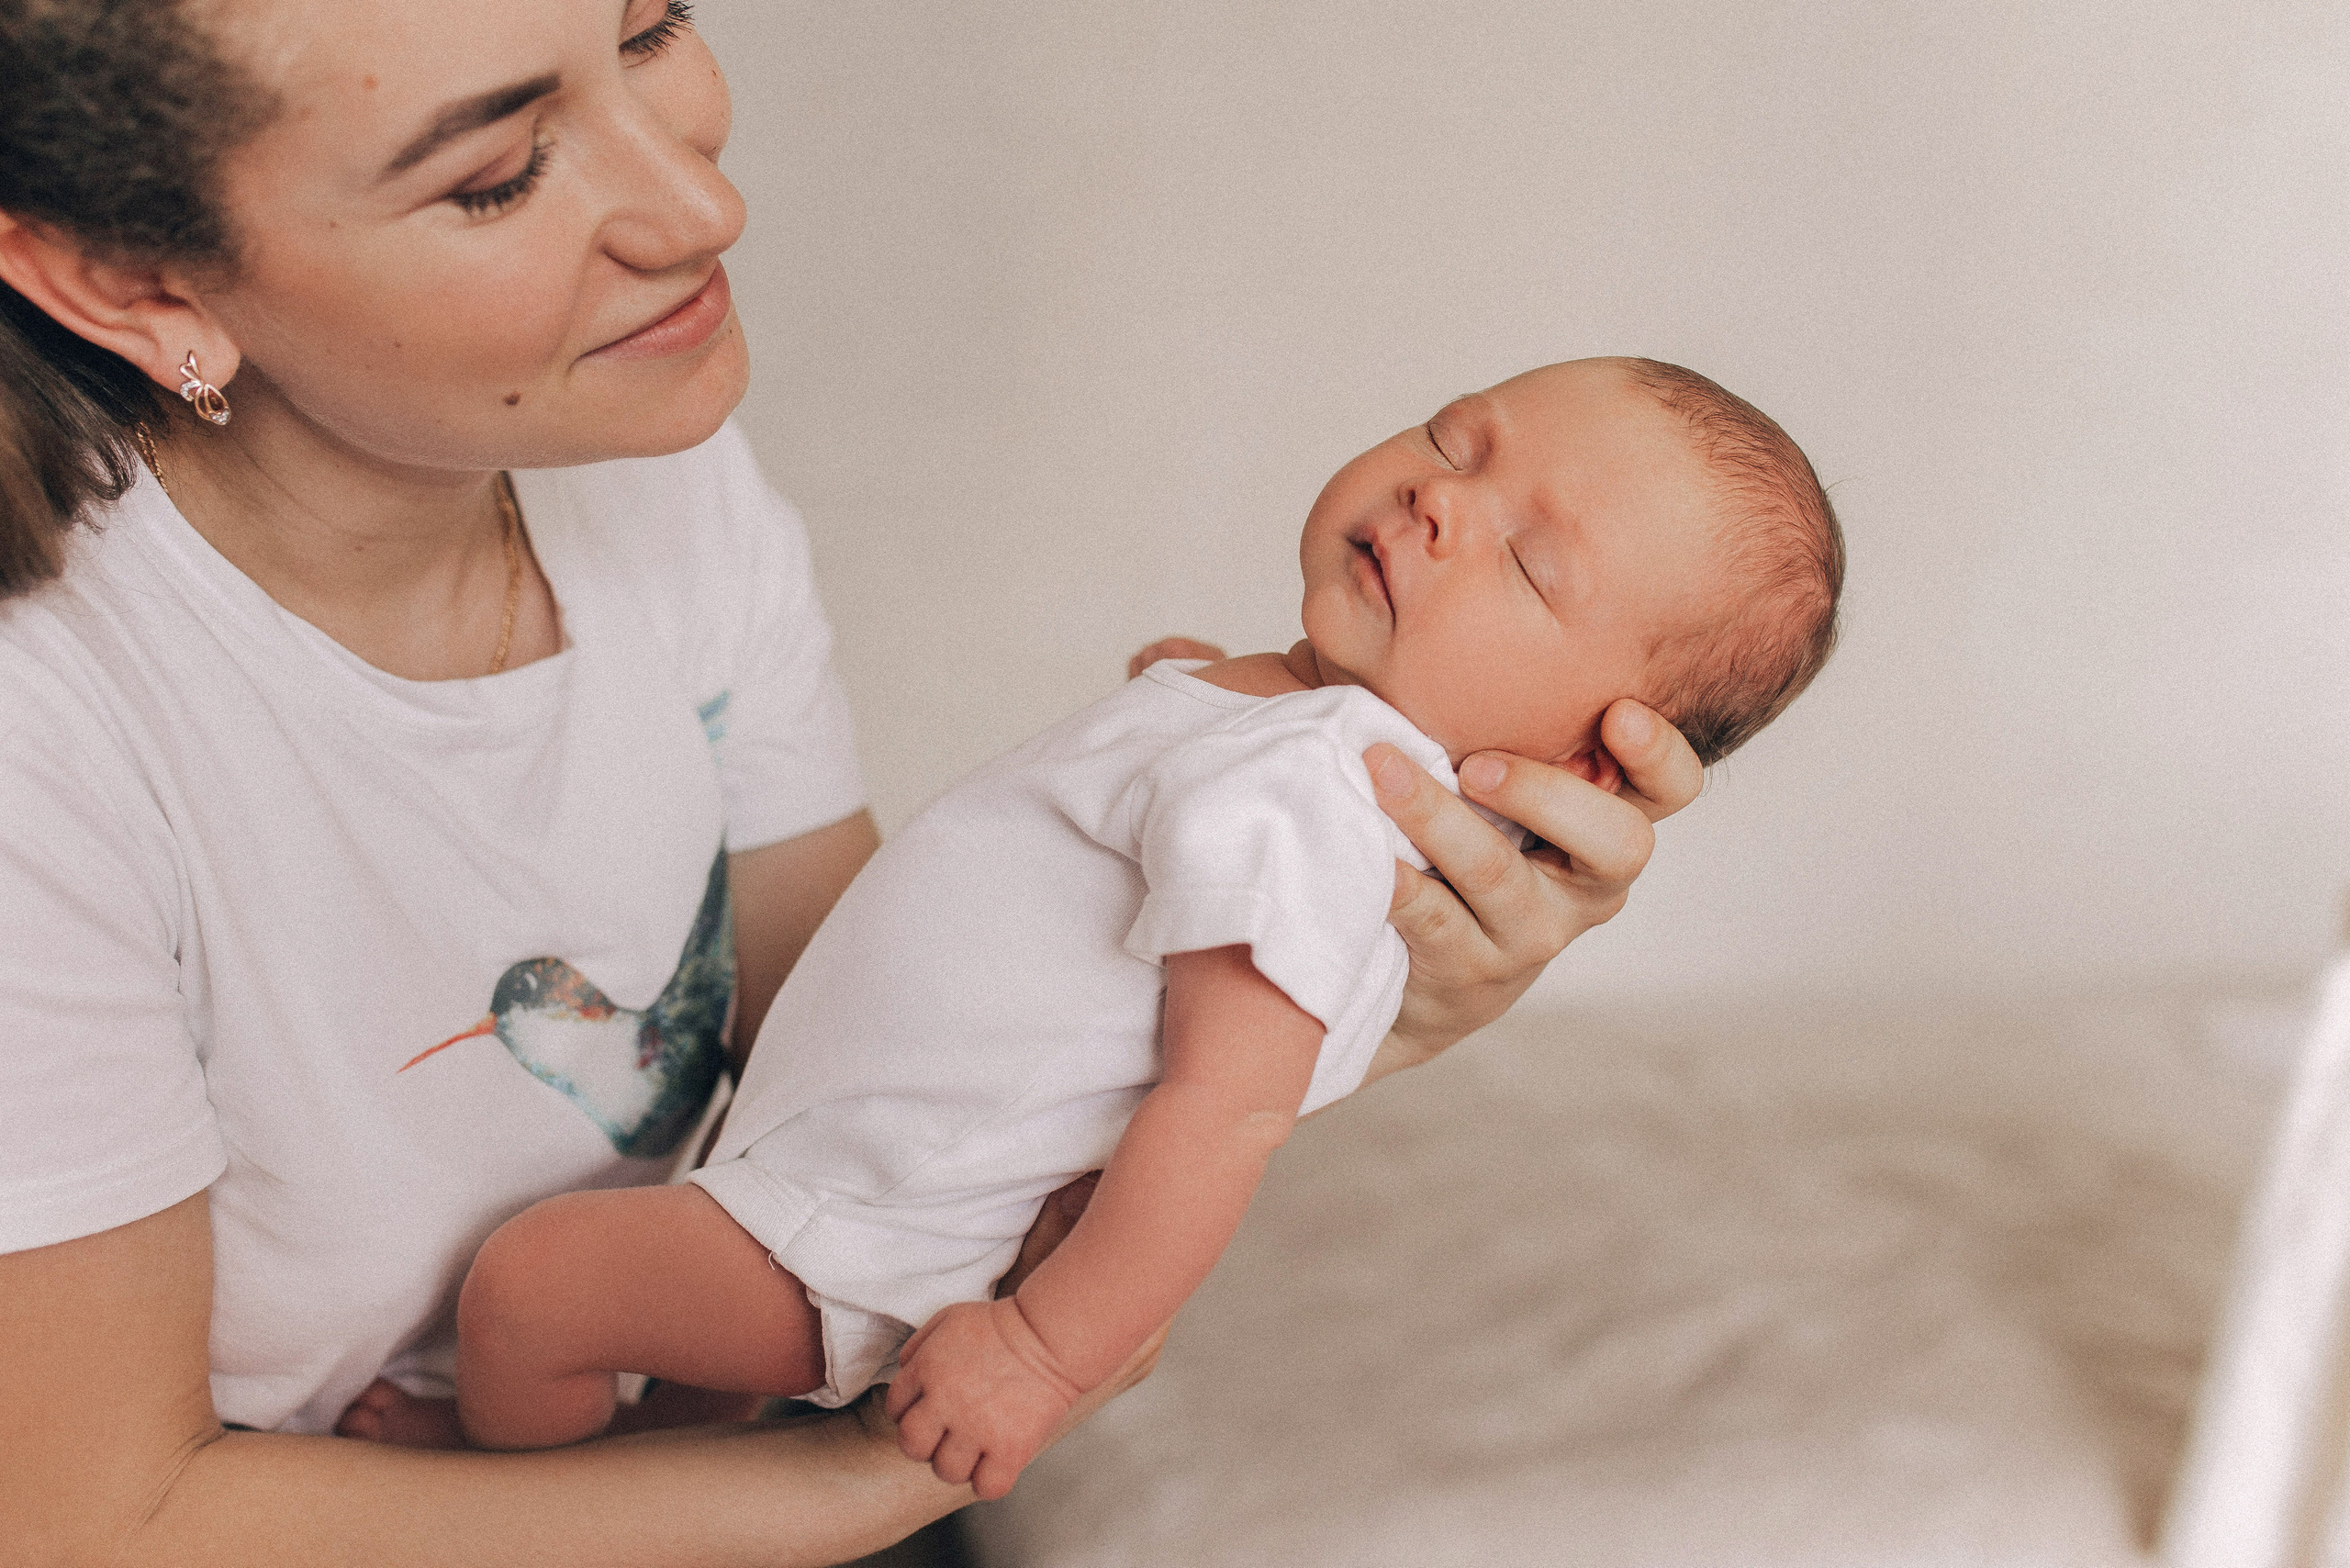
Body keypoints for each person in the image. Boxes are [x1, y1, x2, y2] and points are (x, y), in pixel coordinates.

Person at [0, 2, 1707, 1564]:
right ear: (137, 286)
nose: (700, 207)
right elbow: (100, 1518)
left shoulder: (647, 470)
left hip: (712, 1410)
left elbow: (875, 1037)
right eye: (501, 175)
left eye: (653, 24)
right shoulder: (52, 739)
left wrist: (1347, 988)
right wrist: (886, 1471)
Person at [438, 357, 1842, 1498]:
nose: (1438, 504)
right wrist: (1175, 700)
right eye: (1453, 441)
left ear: (1591, 763)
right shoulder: (1280, 735)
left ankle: (499, 1498)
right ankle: (632, 1470)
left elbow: (1219, 1113)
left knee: (534, 1290)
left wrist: (1045, 1356)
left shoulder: (1304, 795)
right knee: (692, 1399)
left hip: (869, 1224)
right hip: (835, 1166)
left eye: (1531, 565)